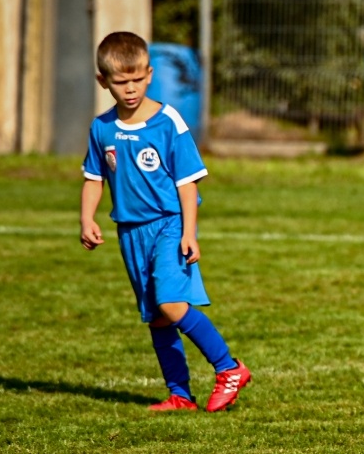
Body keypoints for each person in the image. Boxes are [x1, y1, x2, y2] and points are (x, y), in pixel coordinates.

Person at [80, 32, 250, 413]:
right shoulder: (102, 128)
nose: (130, 89)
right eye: (121, 82)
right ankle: (181, 395)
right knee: (157, 318)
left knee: (172, 304)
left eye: (137, 79)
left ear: (150, 75)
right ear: (102, 81)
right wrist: (86, 218)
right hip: (131, 231)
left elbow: (187, 183)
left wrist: (189, 231)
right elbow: (94, 177)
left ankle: (229, 369)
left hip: (169, 224)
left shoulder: (168, 121)